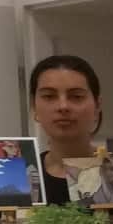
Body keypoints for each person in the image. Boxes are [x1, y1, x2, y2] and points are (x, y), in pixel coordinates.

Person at [27, 54, 102, 205]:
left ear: (97, 106)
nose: (63, 106)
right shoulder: (21, 179)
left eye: (76, 96)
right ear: (34, 107)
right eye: (49, 96)